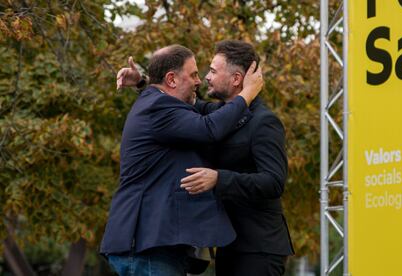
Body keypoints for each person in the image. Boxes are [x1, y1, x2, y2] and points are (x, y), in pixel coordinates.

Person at [100, 44, 263, 276]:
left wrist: (142, 82)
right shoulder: (159, 107)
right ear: (172, 80)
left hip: (151, 246)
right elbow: (210, 128)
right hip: (149, 248)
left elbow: (192, 111)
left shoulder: (157, 101)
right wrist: (248, 93)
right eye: (194, 74)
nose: (199, 81)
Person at [180, 40, 295, 275]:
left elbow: (274, 182)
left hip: (259, 250)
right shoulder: (219, 114)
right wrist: (142, 83)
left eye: (213, 71)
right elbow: (182, 102)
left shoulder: (264, 122)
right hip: (229, 246)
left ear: (236, 80)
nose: (207, 77)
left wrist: (219, 179)